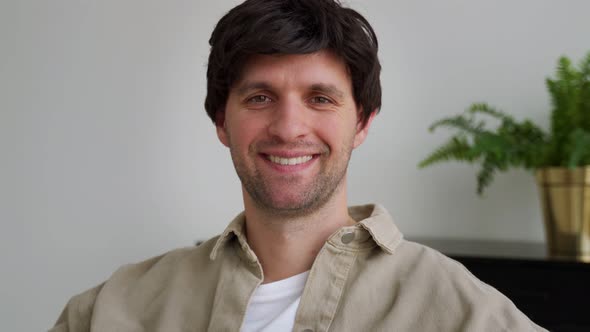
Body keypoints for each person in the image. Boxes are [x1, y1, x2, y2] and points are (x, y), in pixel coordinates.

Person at [50, 0, 547, 331]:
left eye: (321, 99)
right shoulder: (110, 310)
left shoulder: (462, 312)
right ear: (222, 122)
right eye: (261, 96)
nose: (289, 127)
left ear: (362, 123)